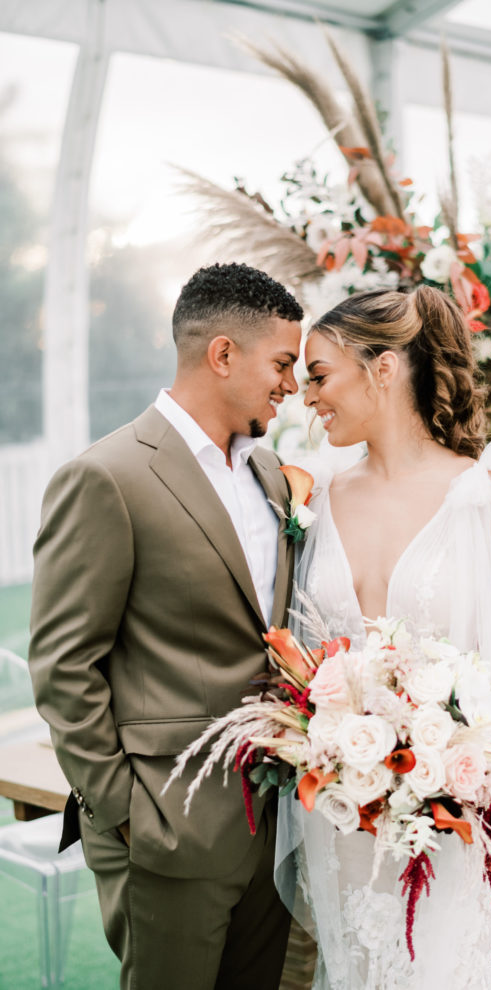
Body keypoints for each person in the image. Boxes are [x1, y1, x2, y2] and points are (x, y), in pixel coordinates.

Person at [277, 284, 491, 989]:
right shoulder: (316, 493)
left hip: (444, 813)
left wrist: (462, 755)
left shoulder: (485, 496)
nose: (305, 396)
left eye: (320, 375)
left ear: (383, 369)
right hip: (341, 808)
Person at [28, 262, 303, 990]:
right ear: (222, 355)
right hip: (164, 830)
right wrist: (124, 812)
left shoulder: (274, 475)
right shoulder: (107, 476)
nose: (292, 385)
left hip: (272, 826)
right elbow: (63, 666)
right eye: (281, 363)